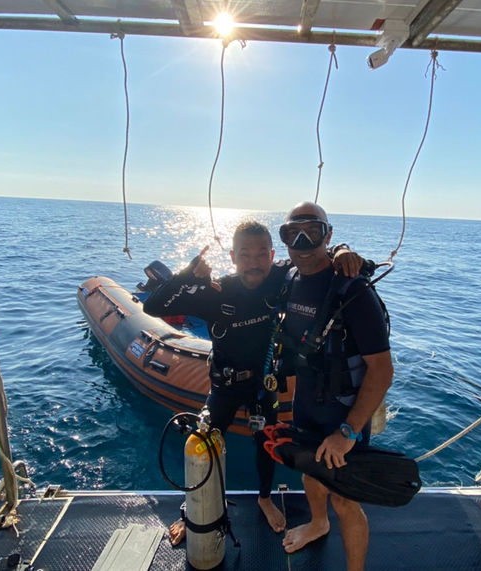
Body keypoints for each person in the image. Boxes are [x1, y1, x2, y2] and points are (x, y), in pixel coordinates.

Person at [143, 220, 363, 546]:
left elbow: (316, 259)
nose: (254, 261)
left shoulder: (280, 278)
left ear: (273, 255)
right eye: (245, 254)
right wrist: (188, 276)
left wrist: (342, 250)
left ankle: (264, 498)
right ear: (232, 257)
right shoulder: (216, 292)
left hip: (264, 385)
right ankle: (193, 510)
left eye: (262, 253)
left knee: (266, 445)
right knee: (204, 446)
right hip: (224, 387)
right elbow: (153, 306)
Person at [275, 202, 394, 571]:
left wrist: (348, 431)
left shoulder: (352, 291)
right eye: (291, 233)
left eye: (312, 232)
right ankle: (317, 522)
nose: (301, 242)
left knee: (345, 498)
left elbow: (382, 370)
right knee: (311, 470)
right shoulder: (290, 278)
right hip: (308, 403)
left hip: (344, 413)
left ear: (328, 235)